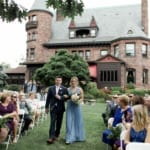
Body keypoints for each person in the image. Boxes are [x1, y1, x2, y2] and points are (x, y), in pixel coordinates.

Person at [45, 76, 68, 144]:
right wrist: (46, 107)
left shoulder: (64, 89)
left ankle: (57, 135)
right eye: (57, 80)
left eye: (59, 80)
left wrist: (61, 97)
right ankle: (51, 137)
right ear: (55, 81)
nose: (58, 81)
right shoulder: (51, 88)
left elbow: (67, 98)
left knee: (59, 122)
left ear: (61, 81)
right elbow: (48, 98)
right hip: (53, 108)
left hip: (61, 108)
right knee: (52, 122)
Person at [65, 76, 85, 144]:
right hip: (70, 107)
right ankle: (69, 138)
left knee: (78, 122)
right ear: (70, 82)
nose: (73, 82)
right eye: (72, 81)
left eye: (74, 81)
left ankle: (78, 136)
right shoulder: (67, 89)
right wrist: (69, 98)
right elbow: (66, 98)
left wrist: (78, 100)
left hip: (77, 107)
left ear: (77, 82)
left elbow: (82, 98)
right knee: (69, 122)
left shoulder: (80, 89)